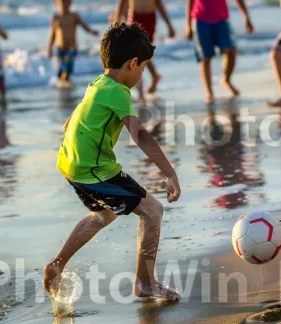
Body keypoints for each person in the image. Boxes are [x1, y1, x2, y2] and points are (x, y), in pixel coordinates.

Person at [43, 23, 182, 302]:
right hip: (94, 171)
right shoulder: (118, 92)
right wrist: (170, 174)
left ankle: (56, 265)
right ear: (133, 63)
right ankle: (145, 284)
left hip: (71, 164)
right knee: (152, 211)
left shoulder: (99, 83)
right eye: (143, 69)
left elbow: (72, 119)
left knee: (104, 214)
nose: (142, 75)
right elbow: (141, 136)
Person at [185, 0, 254, 103]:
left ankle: (226, 79)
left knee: (231, 50)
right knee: (205, 57)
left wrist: (246, 16)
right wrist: (188, 25)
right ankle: (209, 91)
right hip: (200, 20)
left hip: (221, 19)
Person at [116, 0, 176, 99]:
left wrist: (169, 25)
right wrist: (117, 20)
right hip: (134, 18)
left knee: (143, 54)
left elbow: (159, 5)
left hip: (150, 19)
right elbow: (122, 1)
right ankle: (142, 90)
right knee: (135, 56)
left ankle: (154, 77)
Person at [47, 0, 99, 89]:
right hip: (60, 49)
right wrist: (49, 49)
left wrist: (92, 32)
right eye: (62, 1)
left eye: (67, 0)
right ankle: (65, 87)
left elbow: (84, 26)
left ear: (71, 2)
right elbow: (53, 34)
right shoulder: (56, 18)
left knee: (67, 67)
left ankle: (65, 87)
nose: (64, 3)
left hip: (72, 48)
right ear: (57, 3)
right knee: (62, 72)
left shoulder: (74, 16)